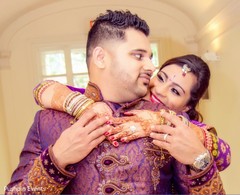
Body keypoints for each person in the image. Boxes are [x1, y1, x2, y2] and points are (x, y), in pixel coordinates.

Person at [6, 10, 225, 194]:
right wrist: (57, 159)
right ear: (101, 57)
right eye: (139, 56)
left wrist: (201, 161)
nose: (151, 66)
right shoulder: (47, 120)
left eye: (150, 57)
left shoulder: (170, 123)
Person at [33, 54, 231, 172]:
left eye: (175, 91)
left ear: (186, 106)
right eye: (161, 78)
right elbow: (43, 89)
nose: (160, 90)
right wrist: (83, 106)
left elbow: (224, 157)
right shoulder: (117, 99)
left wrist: (159, 121)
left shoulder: (186, 127)